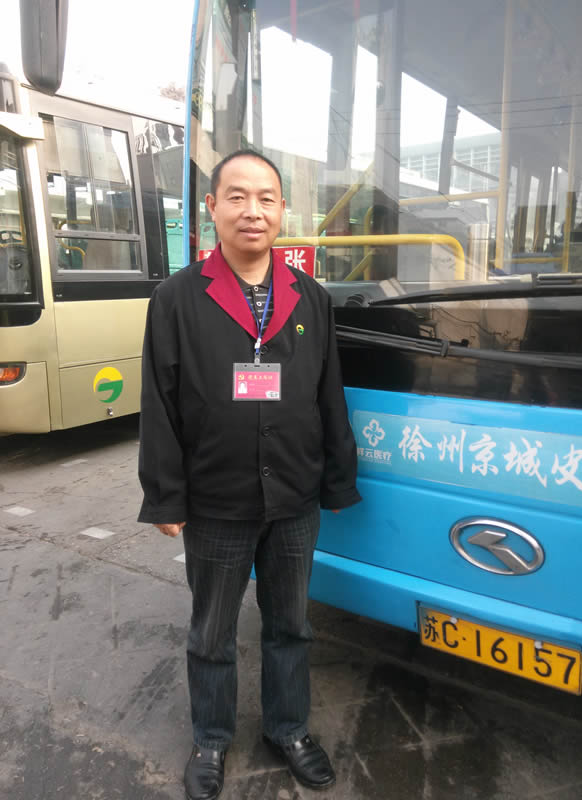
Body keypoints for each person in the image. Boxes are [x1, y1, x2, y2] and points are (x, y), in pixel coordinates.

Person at [137, 149, 361, 800]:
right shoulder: (177, 299)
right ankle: (211, 738)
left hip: (294, 496)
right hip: (216, 498)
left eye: (266, 198)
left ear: (283, 209)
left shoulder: (309, 298)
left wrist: (338, 479)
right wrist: (166, 497)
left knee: (291, 625)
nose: (252, 211)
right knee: (212, 632)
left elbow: (329, 394)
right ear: (211, 208)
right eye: (236, 196)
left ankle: (288, 729)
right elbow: (159, 402)